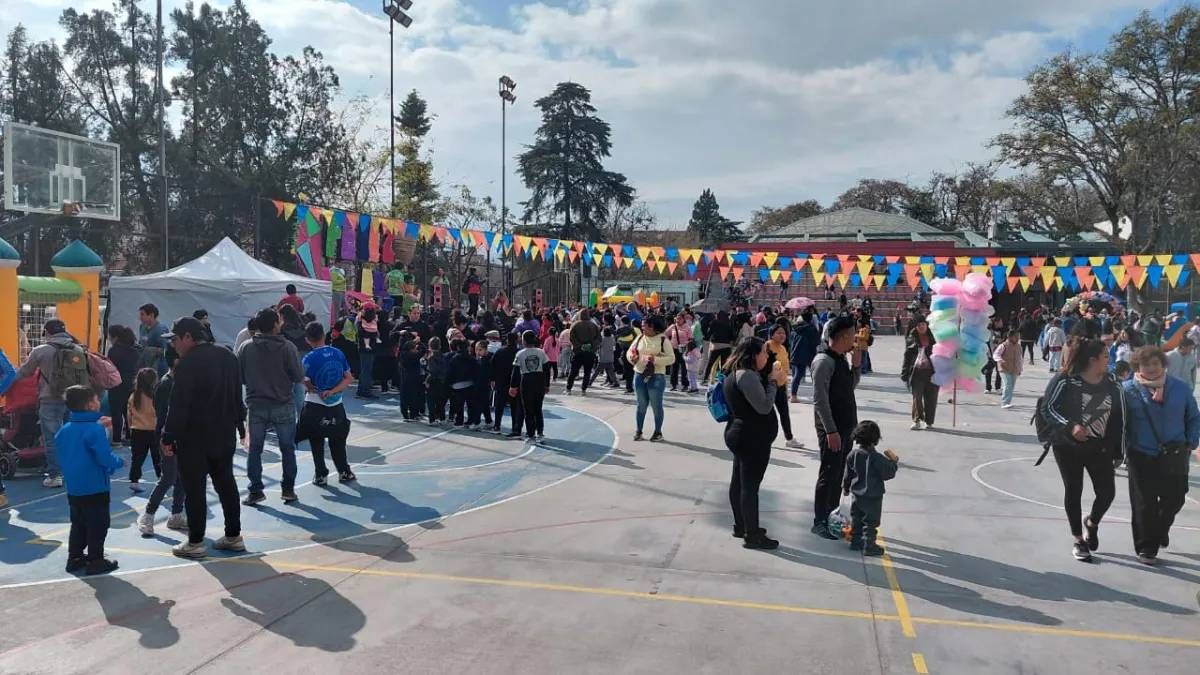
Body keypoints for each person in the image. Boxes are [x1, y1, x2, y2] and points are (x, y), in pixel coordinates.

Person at [161, 317, 246, 559]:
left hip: (194, 436)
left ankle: (196, 541)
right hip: (224, 432)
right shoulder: (228, 356)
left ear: (188, 337)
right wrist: (240, 424)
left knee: (195, 488)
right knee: (226, 484)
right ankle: (233, 536)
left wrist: (168, 436)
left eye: (175, 340)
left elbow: (179, 404)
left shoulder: (188, 363)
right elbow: (236, 393)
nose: (173, 345)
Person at [1041, 338, 1124, 563]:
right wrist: (1071, 426)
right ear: (1092, 360)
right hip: (1067, 446)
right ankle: (1078, 539)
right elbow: (1047, 407)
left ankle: (1092, 522)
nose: (1110, 360)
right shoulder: (1066, 380)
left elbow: (1120, 417)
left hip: (1100, 448)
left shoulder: (1113, 382)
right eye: (1106, 356)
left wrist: (1119, 451)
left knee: (1107, 493)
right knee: (1074, 489)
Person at [1122, 346, 1200, 565]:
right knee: (1144, 502)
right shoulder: (1128, 390)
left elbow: (1194, 417)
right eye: (1146, 365)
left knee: (1176, 497)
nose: (1151, 368)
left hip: (1175, 452)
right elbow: (1120, 422)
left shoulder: (1180, 389)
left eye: (1155, 364)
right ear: (1138, 366)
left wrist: (1192, 440)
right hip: (1141, 453)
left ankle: (1161, 527)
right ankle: (1147, 547)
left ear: (1163, 365)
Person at [722, 336, 787, 550]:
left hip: (741, 434)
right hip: (751, 437)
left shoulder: (735, 374)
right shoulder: (747, 376)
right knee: (750, 487)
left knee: (739, 482)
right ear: (753, 355)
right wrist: (772, 382)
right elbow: (764, 406)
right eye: (763, 353)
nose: (766, 356)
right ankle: (752, 534)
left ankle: (742, 525)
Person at [238, 308, 304, 506]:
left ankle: (256, 489)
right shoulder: (288, 347)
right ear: (276, 324)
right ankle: (288, 489)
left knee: (255, 450)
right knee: (287, 448)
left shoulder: (246, 347)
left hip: (256, 404)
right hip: (282, 403)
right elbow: (298, 376)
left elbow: (240, 376)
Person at [57, 385, 124, 575]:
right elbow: (104, 457)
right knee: (99, 523)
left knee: (78, 523)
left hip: (74, 487)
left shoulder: (65, 429)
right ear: (90, 405)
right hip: (95, 486)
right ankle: (96, 559)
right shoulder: (94, 430)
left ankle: (75, 557)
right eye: (96, 400)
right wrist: (118, 462)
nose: (98, 403)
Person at [14, 319, 90, 487]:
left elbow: (25, 372)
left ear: (47, 333)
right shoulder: (77, 349)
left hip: (49, 400)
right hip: (73, 400)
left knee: (52, 438)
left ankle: (55, 475)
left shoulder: (41, 351)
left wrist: (9, 380)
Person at [810, 315, 859, 540]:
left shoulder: (840, 358)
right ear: (843, 336)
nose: (855, 338)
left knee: (839, 474)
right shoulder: (823, 361)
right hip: (832, 428)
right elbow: (819, 400)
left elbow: (850, 386)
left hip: (845, 426)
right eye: (853, 334)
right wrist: (830, 430)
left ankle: (832, 516)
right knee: (829, 473)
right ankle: (819, 520)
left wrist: (856, 365)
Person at [297, 322, 357, 486]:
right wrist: (334, 391)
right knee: (337, 440)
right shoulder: (338, 353)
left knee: (316, 440)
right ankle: (344, 471)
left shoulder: (309, 358)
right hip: (335, 403)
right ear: (324, 335)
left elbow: (301, 377)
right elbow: (349, 378)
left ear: (308, 340)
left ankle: (321, 474)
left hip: (315, 404)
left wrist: (310, 387)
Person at [137, 351, 186, 536]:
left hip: (182, 435)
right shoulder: (167, 385)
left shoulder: (181, 382)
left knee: (182, 477)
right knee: (168, 477)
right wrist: (168, 438)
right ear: (176, 362)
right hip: (169, 436)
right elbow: (165, 415)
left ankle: (176, 514)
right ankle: (148, 516)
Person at [841, 420, 898, 556]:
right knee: (870, 522)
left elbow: (847, 473)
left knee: (857, 518)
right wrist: (894, 463)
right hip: (873, 497)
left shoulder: (853, 454)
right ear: (876, 439)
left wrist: (846, 487)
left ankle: (856, 542)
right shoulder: (877, 458)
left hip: (857, 495)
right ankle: (869, 545)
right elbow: (888, 473)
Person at [628, 315, 675, 442]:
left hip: (656, 377)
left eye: (646, 325)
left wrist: (656, 359)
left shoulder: (663, 340)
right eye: (643, 325)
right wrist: (632, 357)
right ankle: (639, 431)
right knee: (641, 405)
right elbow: (630, 351)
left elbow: (671, 358)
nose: (643, 328)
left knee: (656, 405)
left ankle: (658, 432)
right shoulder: (640, 337)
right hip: (639, 374)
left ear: (654, 326)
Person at [766, 323, 802, 448]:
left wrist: (786, 387)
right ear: (772, 334)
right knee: (766, 414)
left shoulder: (782, 348)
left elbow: (785, 369)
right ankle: (764, 438)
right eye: (779, 333)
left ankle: (790, 439)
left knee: (784, 413)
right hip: (769, 385)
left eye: (783, 333)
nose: (782, 335)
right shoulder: (767, 346)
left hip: (780, 386)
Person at [126, 367, 161, 491]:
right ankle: (161, 478)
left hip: (137, 430)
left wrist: (130, 427)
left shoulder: (134, 396)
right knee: (158, 456)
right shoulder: (155, 396)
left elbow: (129, 414)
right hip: (153, 430)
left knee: (137, 458)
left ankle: (134, 481)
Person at [509, 330, 549, 440]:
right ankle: (540, 432)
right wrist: (547, 385)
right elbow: (547, 369)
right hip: (539, 380)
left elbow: (515, 372)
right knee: (538, 408)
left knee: (528, 410)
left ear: (524, 341)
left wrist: (513, 386)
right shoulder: (541, 352)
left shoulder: (520, 353)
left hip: (526, 381)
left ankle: (531, 435)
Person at [105, 325, 139, 448]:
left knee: (116, 412)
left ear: (115, 337)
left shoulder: (114, 351)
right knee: (128, 411)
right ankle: (130, 436)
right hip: (131, 384)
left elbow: (109, 368)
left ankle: (117, 440)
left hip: (116, 384)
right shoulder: (134, 351)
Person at [901, 317, 938, 430]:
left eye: (923, 324)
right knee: (917, 397)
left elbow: (943, 354)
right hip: (916, 372)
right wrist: (904, 371)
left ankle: (929, 421)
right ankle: (916, 420)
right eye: (919, 325)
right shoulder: (911, 339)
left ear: (927, 325)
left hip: (932, 372)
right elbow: (907, 356)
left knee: (931, 398)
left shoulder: (935, 338)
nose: (921, 326)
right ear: (916, 327)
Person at [491, 332, 522, 436]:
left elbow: (493, 366)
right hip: (514, 383)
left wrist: (492, 379)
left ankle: (497, 426)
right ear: (517, 340)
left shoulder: (500, 352)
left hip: (501, 382)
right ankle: (515, 427)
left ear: (506, 340)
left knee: (499, 406)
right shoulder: (519, 352)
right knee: (514, 406)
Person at [566, 309, 602, 395]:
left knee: (574, 371)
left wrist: (580, 345)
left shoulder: (575, 325)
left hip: (578, 352)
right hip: (590, 352)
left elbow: (571, 337)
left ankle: (569, 388)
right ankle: (583, 389)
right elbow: (599, 339)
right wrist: (591, 345)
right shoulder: (594, 326)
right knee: (587, 371)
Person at [447, 339, 480, 428]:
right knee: (470, 404)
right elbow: (476, 371)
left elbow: (450, 372)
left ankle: (459, 421)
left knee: (459, 405)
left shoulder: (454, 359)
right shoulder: (472, 359)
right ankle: (470, 420)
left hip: (457, 385)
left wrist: (449, 383)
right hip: (470, 384)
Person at [789, 309, 820, 402]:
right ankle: (818, 395)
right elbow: (816, 342)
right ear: (811, 319)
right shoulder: (812, 329)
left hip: (796, 353)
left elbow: (791, 340)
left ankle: (793, 396)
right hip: (809, 354)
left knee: (796, 376)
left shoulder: (795, 327)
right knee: (815, 376)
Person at [703, 310, 736, 384]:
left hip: (716, 346)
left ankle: (705, 379)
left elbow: (709, 333)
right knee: (724, 365)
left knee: (710, 363)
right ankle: (723, 379)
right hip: (726, 346)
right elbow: (732, 336)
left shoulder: (714, 322)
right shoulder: (728, 323)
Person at [137, 304, 171, 374]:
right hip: (144, 367)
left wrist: (150, 350)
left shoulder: (161, 330)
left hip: (157, 369)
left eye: (142, 314)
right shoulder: (142, 327)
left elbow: (167, 350)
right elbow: (141, 343)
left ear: (151, 315)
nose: (140, 318)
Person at [356, 305, 381, 399]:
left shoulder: (359, 321)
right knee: (366, 370)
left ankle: (361, 389)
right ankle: (365, 391)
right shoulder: (367, 323)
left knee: (364, 369)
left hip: (363, 348)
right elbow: (374, 333)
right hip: (368, 349)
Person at [993, 330, 1023, 409]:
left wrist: (1020, 369)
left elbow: (1020, 359)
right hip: (1004, 369)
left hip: (1014, 369)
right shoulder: (1004, 345)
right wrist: (1001, 360)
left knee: (1011, 386)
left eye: (1018, 336)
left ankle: (1008, 402)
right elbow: (996, 354)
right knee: (1008, 384)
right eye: (1015, 336)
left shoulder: (1019, 346)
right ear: (1010, 337)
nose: (1017, 338)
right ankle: (1004, 402)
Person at [424, 337, 449, 426]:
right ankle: (441, 418)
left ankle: (432, 419)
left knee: (431, 401)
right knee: (440, 400)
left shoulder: (431, 357)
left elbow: (432, 371)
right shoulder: (443, 356)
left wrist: (427, 381)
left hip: (433, 381)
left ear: (430, 345)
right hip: (442, 380)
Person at [665, 313, 692, 392]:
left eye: (680, 318)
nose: (678, 320)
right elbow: (665, 334)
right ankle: (674, 385)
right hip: (674, 349)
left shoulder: (687, 327)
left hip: (684, 349)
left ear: (684, 319)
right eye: (677, 318)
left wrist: (687, 346)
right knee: (674, 367)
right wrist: (669, 342)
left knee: (684, 368)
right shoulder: (673, 326)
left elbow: (690, 338)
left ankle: (685, 385)